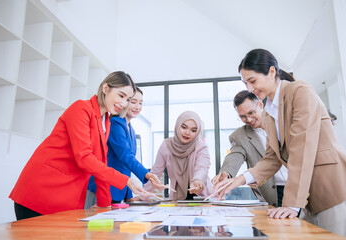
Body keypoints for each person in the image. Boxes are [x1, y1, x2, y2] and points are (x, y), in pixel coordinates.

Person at [213, 49, 346, 236]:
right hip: (307, 197)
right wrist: (239, 180)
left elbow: (302, 147)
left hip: (330, 188)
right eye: (246, 83)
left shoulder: (300, 91)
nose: (250, 89)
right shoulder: (268, 113)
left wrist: (292, 203)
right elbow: (272, 159)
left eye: (252, 81)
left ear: (272, 72)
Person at [9, 71, 156, 220]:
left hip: (64, 196)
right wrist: (126, 180)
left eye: (127, 99)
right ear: (105, 88)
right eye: (121, 96)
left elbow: (100, 164)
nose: (123, 103)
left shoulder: (104, 122)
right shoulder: (81, 109)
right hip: (43, 190)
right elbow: (84, 157)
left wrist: (104, 205)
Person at [212, 90, 288, 207]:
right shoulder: (240, 136)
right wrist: (226, 173)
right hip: (273, 194)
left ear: (261, 105)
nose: (249, 119)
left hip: (298, 186)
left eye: (251, 113)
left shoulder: (281, 123)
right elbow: (234, 156)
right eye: (242, 116)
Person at [142, 111, 213, 200]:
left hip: (202, 197)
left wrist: (197, 180)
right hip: (177, 199)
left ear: (197, 132)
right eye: (184, 127)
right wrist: (142, 196)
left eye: (193, 130)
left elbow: (202, 167)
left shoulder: (201, 146)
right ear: (178, 125)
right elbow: (155, 173)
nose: (187, 132)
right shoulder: (166, 145)